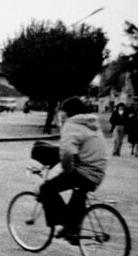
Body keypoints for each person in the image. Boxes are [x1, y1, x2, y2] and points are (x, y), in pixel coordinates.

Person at [38, 96, 108, 244]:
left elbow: (68, 152)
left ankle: (66, 224)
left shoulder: (71, 125)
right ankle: (73, 230)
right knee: (78, 195)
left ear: (68, 112)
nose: (60, 115)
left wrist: (67, 170)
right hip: (98, 172)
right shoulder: (92, 124)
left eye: (62, 112)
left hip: (84, 172)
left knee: (46, 189)